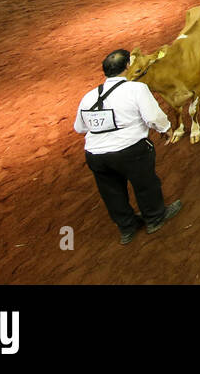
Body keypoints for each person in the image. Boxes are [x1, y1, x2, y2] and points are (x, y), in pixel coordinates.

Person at [73, 49, 183, 245]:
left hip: (96, 155)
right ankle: (154, 218)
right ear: (127, 67)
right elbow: (153, 117)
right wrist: (166, 128)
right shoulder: (136, 89)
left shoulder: (88, 96)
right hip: (130, 150)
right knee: (145, 183)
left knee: (111, 191)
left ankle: (127, 228)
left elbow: (79, 127)